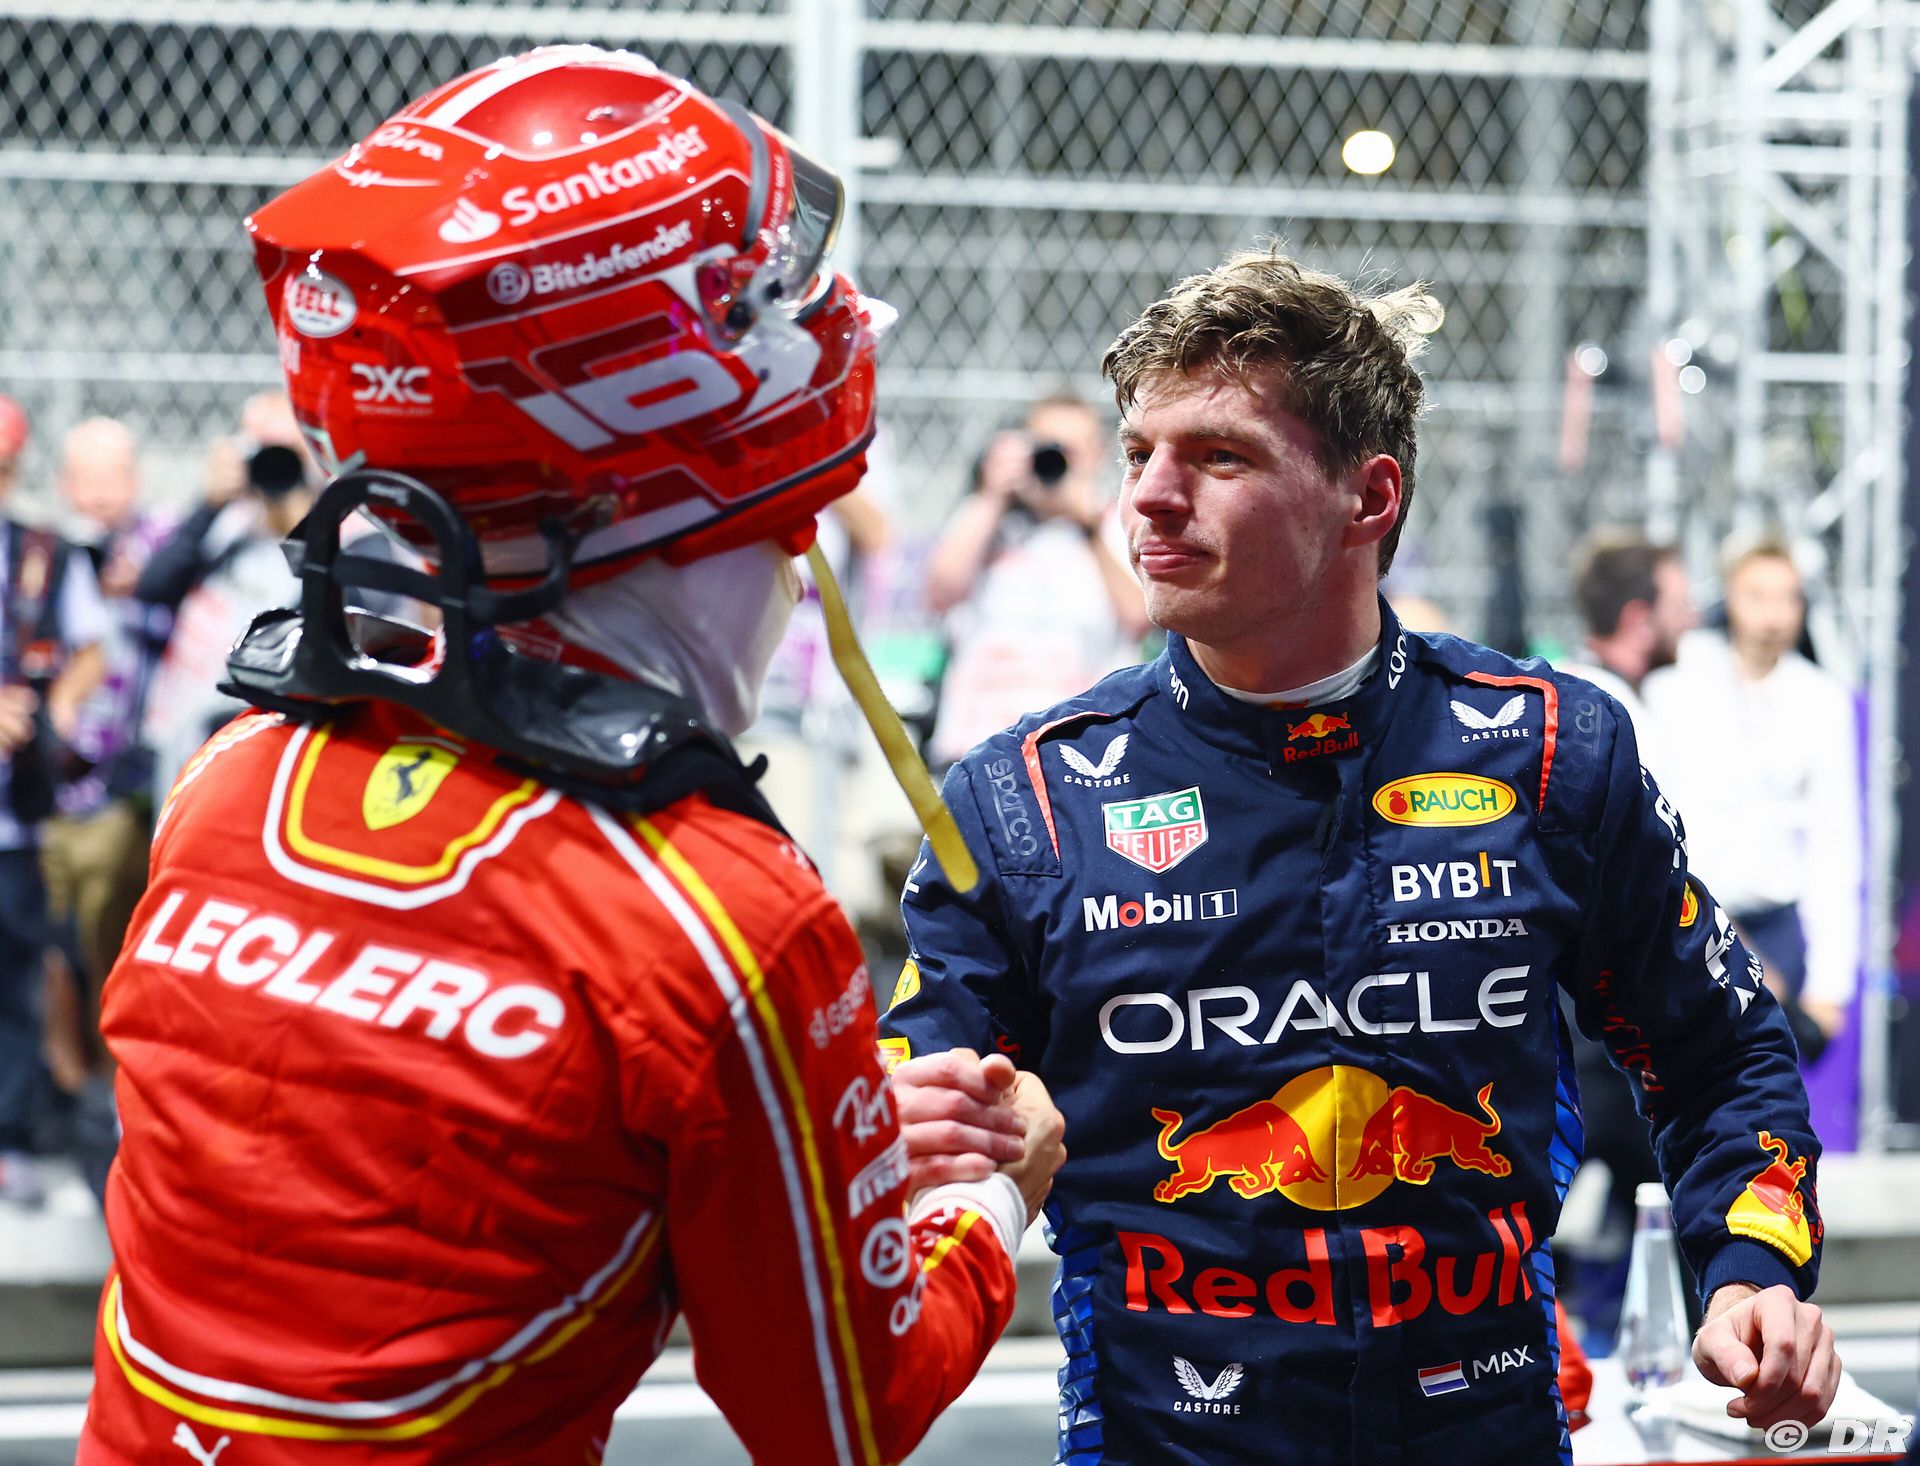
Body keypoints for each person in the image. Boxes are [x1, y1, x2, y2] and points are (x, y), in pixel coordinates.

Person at [80, 46, 1063, 1466]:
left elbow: (417, 1203)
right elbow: (845, 1418)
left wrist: (809, 1144)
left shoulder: (232, 778)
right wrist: (994, 1196)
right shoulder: (724, 916)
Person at [881, 249, 1840, 1463]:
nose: (1151, 499)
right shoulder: (1022, 799)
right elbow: (911, 1124)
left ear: (1368, 497)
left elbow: (1723, 1051)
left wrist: (1752, 1270)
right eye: (1137, 453)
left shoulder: (1552, 750)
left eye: (1218, 456)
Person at [1643, 536, 1863, 1050]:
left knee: (1767, 1078)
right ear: (1729, 598)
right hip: (1692, 918)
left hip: (1779, 929)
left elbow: (1836, 841)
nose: (1774, 616)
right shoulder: (1676, 688)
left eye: (1788, 598)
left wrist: (1830, 984)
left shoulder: (1822, 702)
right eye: (1757, 596)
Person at [0, 395, 111, 1209]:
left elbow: (90, 650)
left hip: (17, 817)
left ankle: (15, 1142)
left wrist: (55, 708)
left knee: (20, 976)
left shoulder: (42, 554)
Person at [925, 393, 1150, 765]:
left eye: (1072, 451)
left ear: (1097, 455)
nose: (1058, 462)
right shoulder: (990, 517)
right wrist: (992, 495)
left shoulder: (1115, 523)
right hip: (976, 748)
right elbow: (940, 592)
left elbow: (1142, 618)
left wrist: (1088, 527)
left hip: (1075, 751)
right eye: (1048, 446)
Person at [136, 392, 317, 804]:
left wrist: (302, 519)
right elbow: (154, 587)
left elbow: (321, 623)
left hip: (254, 742)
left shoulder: (335, 535)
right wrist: (209, 502)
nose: (274, 465)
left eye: (287, 452)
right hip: (180, 733)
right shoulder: (225, 524)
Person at [1563, 529, 1697, 768]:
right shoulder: (1609, 722)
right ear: (1639, 623)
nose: (1691, 620)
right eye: (1679, 607)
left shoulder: (1582, 694)